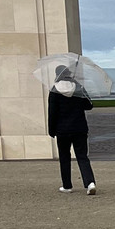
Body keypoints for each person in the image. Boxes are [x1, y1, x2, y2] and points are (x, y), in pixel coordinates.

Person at [47, 65, 96, 195]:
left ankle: (67, 185)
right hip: (79, 128)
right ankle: (90, 183)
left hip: (62, 129)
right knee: (82, 156)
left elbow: (52, 113)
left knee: (64, 157)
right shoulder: (78, 88)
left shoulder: (54, 90)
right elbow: (89, 105)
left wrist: (51, 130)